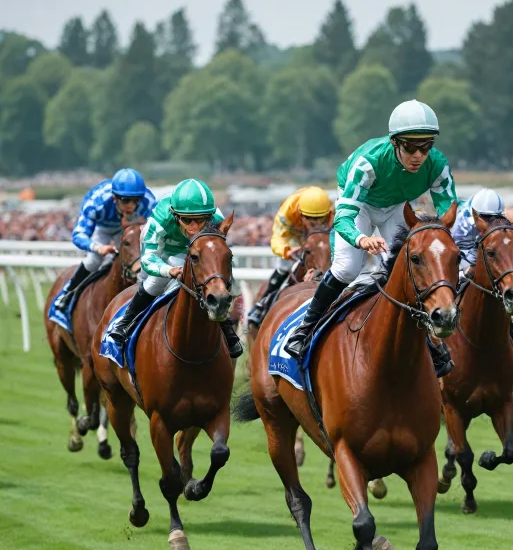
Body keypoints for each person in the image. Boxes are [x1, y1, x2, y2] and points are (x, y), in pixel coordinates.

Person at [283, 99, 459, 377]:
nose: (418, 156)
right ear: (394, 143)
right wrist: (361, 239)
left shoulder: (437, 165)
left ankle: (428, 340)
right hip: (360, 205)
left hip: (397, 207)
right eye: (410, 147)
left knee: (405, 272)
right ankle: (304, 329)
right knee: (347, 268)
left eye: (426, 146)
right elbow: (342, 218)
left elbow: (448, 211)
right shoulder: (369, 163)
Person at [107, 178, 242, 357]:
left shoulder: (215, 218)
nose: (194, 227)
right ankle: (124, 323)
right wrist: (168, 270)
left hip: (198, 252)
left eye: (201, 220)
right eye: (187, 220)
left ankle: (228, 330)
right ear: (175, 214)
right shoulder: (161, 217)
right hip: (163, 253)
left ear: (208, 216)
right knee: (156, 281)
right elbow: (148, 259)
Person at [54, 168, 155, 309]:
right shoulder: (96, 203)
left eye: (136, 200)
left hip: (130, 231)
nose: (131, 206)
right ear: (115, 198)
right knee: (93, 261)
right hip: (102, 230)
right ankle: (68, 292)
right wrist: (98, 247)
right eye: (126, 201)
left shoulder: (149, 202)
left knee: (140, 262)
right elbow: (78, 235)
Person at [451, 188, 513, 360]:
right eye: (485, 218)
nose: (490, 221)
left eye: (493, 217)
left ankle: (512, 332)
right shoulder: (462, 222)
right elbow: (461, 251)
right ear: (476, 214)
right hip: (456, 248)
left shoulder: (499, 219)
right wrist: (469, 269)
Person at [247, 186, 333, 327]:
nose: (316, 223)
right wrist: (287, 250)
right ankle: (262, 303)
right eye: (310, 219)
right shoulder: (288, 210)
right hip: (294, 234)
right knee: (284, 265)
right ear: (300, 213)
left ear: (328, 213)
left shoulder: (332, 212)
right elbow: (277, 239)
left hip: (321, 237)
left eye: (320, 219)